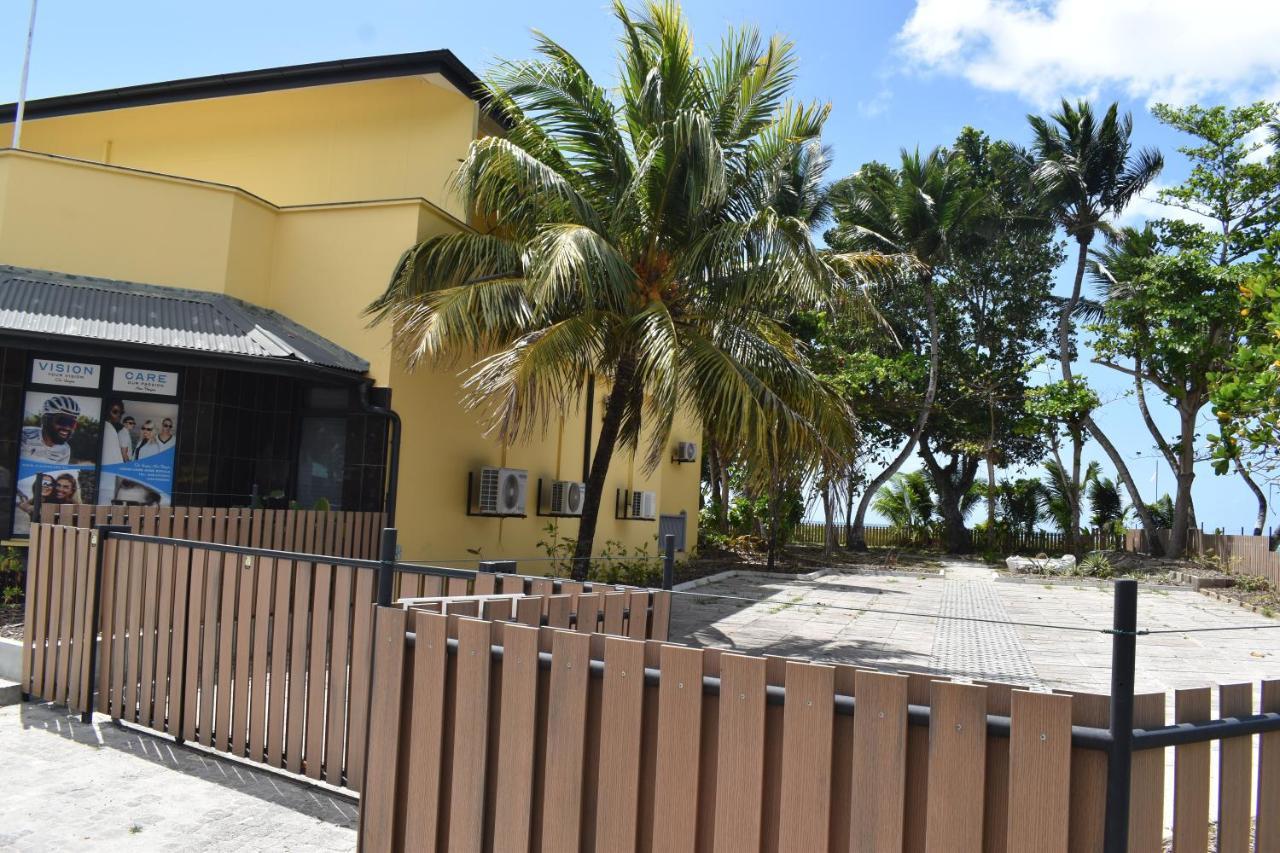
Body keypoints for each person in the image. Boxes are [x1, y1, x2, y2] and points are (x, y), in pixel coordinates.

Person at [20, 395, 80, 466]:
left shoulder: (65, 450)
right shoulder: (24, 436)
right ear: (45, 420)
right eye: (62, 421)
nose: (67, 427)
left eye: (72, 423)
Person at [100, 397, 130, 503]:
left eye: (121, 413)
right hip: (108, 484)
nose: (118, 415)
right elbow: (116, 460)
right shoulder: (109, 429)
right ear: (107, 411)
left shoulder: (109, 428)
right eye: (115, 412)